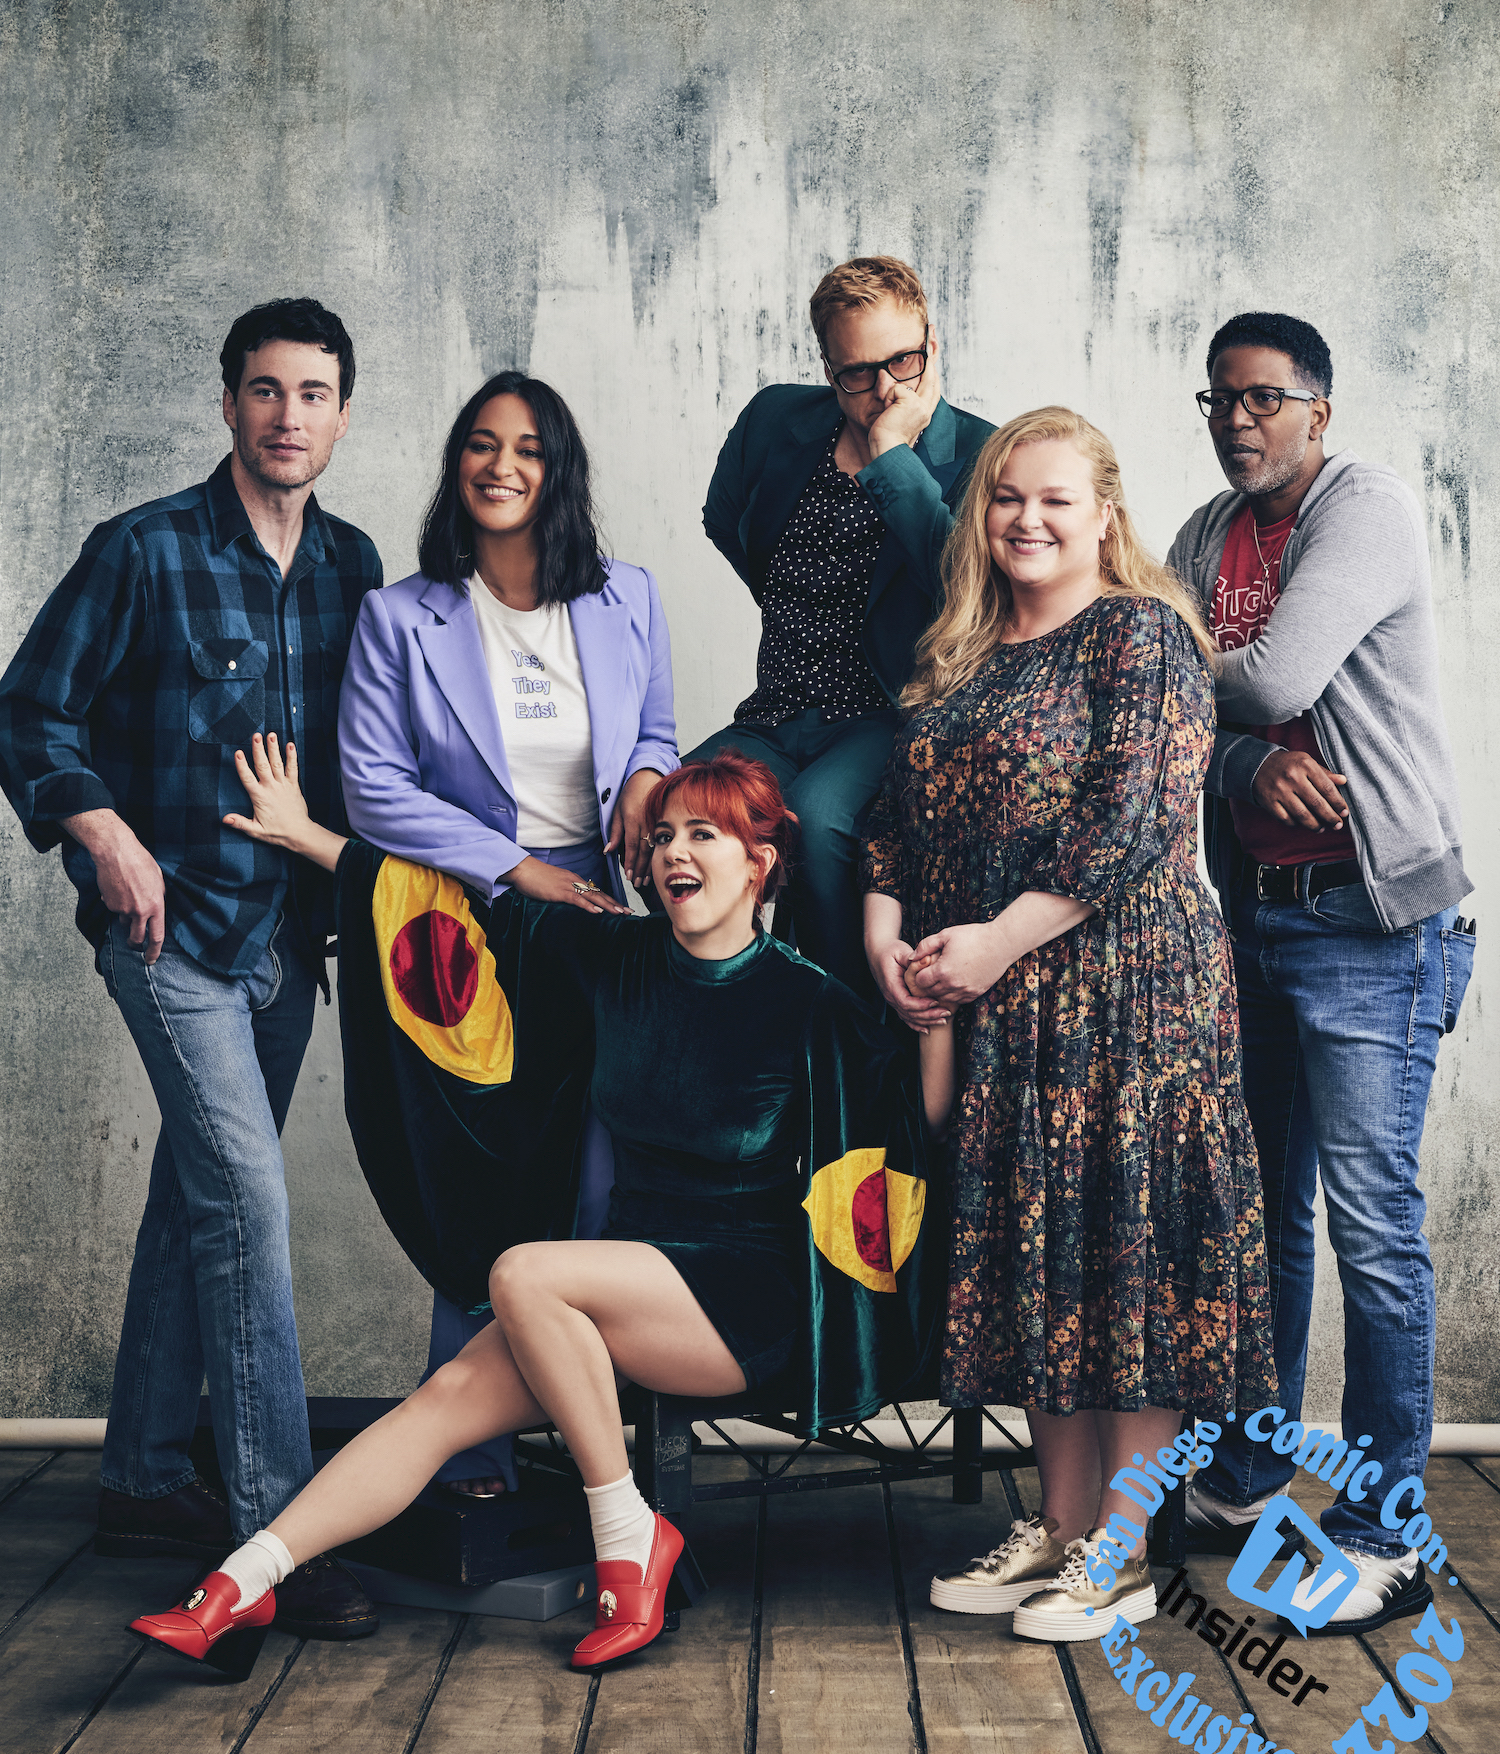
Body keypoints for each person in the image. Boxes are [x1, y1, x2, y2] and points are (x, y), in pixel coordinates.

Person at [128, 751, 931, 1676]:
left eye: (703, 834)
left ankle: (628, 1540)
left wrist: (943, 1009)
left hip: (742, 1301)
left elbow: (906, 1130)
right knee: (442, 1405)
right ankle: (239, 1581)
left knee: (521, 1272)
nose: (674, 850)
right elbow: (453, 926)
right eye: (663, 833)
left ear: (759, 863)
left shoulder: (811, 1001)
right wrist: (309, 834)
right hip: (616, 1287)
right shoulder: (608, 955)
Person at [0, 298, 382, 1641]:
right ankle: (276, 1533)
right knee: (249, 1205)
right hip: (169, 938)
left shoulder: (353, 565)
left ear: (343, 412)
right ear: (228, 404)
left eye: (316, 394)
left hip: (288, 944)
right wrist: (98, 828)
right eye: (267, 391)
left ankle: (144, 1474)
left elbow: (368, 761)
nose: (290, 417)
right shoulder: (143, 550)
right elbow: (27, 706)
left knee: (196, 1195)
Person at [863, 407, 1277, 1642]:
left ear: (1105, 512)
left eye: (1054, 499)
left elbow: (1134, 819)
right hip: (1009, 1009)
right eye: (1005, 498)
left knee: (1131, 1262)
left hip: (1135, 994)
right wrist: (886, 937)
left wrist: (991, 941)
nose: (1027, 520)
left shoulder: (1143, 634)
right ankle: (1053, 1523)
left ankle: (1123, 1549)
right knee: (1043, 1264)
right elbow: (894, 822)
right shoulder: (964, 655)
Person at [1166, 313, 1474, 1635]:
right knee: (1259, 1219)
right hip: (1261, 919)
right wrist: (1238, 762)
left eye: (1266, 399)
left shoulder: (1369, 511)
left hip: (1371, 926)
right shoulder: (1197, 537)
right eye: (1221, 400)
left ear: (1319, 410)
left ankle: (1388, 1527)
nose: (1241, 420)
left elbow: (1265, 671)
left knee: (1373, 1232)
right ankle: (1242, 1478)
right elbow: (1173, 721)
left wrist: (1191, 698)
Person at [337, 370, 679, 1497]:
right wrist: (518, 869)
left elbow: (660, 732)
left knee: (593, 1184)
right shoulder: (402, 614)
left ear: (557, 470)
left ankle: (592, 1451)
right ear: (458, 465)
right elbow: (373, 787)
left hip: (595, 922)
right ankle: (467, 1457)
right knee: (480, 1179)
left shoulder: (627, 595)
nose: (501, 466)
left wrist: (643, 777)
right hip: (463, 931)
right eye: (482, 445)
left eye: (527, 449)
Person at [695, 255, 994, 999]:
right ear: (830, 369)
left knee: (820, 817)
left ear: (933, 339)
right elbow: (727, 518)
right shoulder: (778, 421)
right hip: (778, 708)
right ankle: (729, 1014)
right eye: (859, 372)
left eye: (904, 359)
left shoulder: (980, 453)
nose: (887, 387)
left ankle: (842, 1026)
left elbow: (964, 587)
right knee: (682, 802)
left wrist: (893, 452)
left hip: (885, 712)